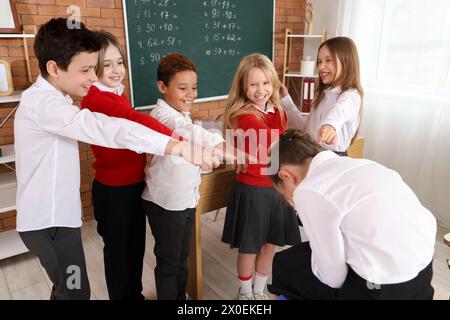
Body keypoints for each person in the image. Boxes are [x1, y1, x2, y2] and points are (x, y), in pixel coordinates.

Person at [14, 18, 216, 300]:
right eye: (86, 69)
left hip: (60, 217)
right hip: (48, 222)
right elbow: (109, 128)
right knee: (74, 290)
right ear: (53, 68)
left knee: (69, 288)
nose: (91, 77)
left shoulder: (58, 99)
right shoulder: (45, 105)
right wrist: (177, 146)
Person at [268, 129, 437, 300]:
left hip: (381, 288)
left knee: (283, 264)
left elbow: (332, 276)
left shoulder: (309, 189)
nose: (289, 201)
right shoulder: (361, 164)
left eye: (283, 195)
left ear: (285, 175)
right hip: (424, 272)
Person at [80, 31, 182, 300]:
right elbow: (133, 119)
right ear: (92, 68)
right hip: (114, 192)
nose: (116, 70)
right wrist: (178, 141)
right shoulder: (97, 98)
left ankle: (133, 295)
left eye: (119, 62)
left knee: (135, 248)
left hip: (131, 185)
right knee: (119, 255)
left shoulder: (115, 93)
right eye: (107, 64)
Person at [142, 52, 241, 300]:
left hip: (187, 199)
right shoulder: (162, 116)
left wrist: (210, 157)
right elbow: (189, 133)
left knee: (183, 257)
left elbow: (190, 152)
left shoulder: (181, 114)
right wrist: (229, 151)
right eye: (183, 88)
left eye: (194, 87)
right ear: (162, 87)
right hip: (165, 203)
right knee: (169, 262)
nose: (191, 94)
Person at [221, 53, 301, 300]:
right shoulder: (243, 115)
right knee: (250, 246)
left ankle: (259, 290)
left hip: (276, 188)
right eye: (254, 84)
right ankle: (245, 293)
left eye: (266, 83)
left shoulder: (278, 111)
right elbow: (274, 142)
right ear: (243, 86)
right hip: (253, 190)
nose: (261, 90)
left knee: (270, 244)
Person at [280, 37, 363, 156]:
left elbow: (340, 110)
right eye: (319, 62)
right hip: (314, 154)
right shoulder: (322, 96)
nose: (320, 67)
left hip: (333, 158)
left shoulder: (351, 96)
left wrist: (330, 125)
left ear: (346, 62)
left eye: (328, 60)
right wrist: (285, 99)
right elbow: (305, 128)